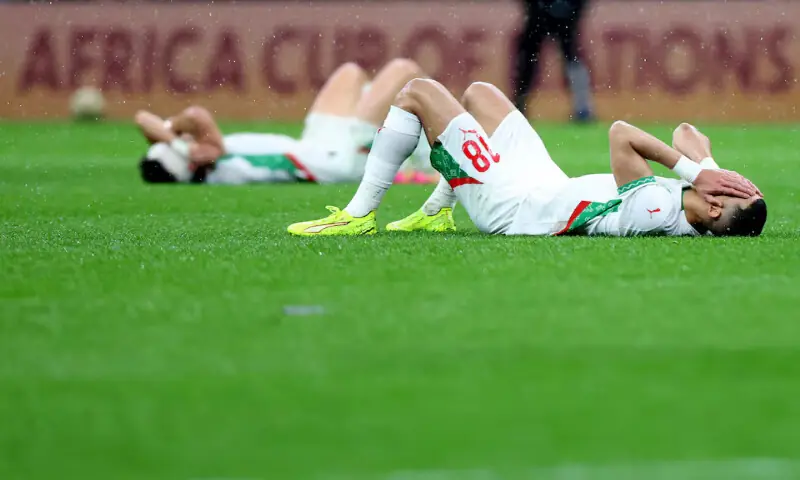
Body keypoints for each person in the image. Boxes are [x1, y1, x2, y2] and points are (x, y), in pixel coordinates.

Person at [287, 79, 766, 238]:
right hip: (544, 183)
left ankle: (358, 214)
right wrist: (707, 169)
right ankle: (435, 213)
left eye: (732, 188)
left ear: (717, 206)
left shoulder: (654, 211)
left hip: (510, 207)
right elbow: (687, 133)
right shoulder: (702, 202)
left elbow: (622, 135)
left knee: (418, 93)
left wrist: (692, 170)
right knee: (480, 94)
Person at [134, 59, 434, 185]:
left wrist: (170, 138)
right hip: (338, 160)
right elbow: (196, 115)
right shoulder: (208, 157)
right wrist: (174, 136)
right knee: (404, 69)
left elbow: (142, 118)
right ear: (191, 161)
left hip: (315, 143)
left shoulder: (194, 161)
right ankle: (429, 162)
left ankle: (395, 131)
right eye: (182, 147)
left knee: (351, 73)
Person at [514, 0, 595, 122]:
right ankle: (519, 106)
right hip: (540, 15)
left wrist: (571, 10)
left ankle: (582, 108)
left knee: (572, 59)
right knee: (527, 64)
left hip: (559, 15)